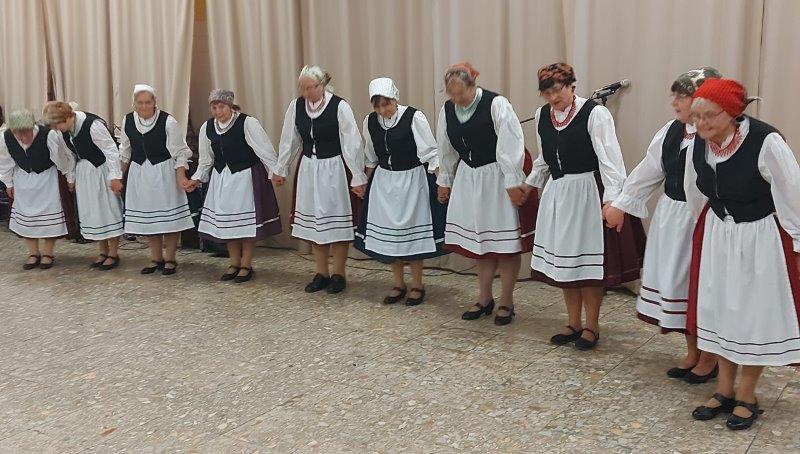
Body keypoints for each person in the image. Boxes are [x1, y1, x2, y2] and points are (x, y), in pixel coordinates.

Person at [684, 78, 800, 430]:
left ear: (732, 113)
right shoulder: (699, 144)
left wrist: (797, 244)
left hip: (758, 237)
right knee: (719, 310)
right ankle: (723, 389)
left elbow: (792, 194)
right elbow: (695, 191)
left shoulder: (766, 142)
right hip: (720, 234)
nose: (700, 123)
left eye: (709, 116)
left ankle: (747, 394)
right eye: (696, 116)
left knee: (751, 316)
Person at [605, 68, 722, 382]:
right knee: (680, 284)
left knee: (700, 286)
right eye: (675, 96)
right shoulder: (672, 131)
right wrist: (620, 204)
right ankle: (693, 352)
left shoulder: (715, 135)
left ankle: (710, 358)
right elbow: (649, 170)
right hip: (673, 217)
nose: (675, 102)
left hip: (704, 220)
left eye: (682, 96)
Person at [522, 63, 645, 349]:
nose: (553, 98)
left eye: (558, 90)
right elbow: (544, 159)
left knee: (586, 265)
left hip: (587, 192)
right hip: (558, 194)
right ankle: (573, 322)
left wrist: (612, 200)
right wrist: (529, 185)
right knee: (566, 264)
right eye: (547, 93)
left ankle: (592, 325)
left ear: (571, 86)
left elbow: (611, 161)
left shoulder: (594, 114)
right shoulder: (542, 116)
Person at [436, 62, 537, 326]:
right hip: (469, 177)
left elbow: (511, 144)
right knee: (480, 242)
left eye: (461, 94)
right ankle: (484, 298)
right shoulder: (448, 110)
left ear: (473, 86)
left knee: (504, 245)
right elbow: (445, 148)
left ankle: (507, 301)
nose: (457, 100)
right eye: (452, 95)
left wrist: (513, 182)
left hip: (497, 177)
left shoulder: (496, 104)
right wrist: (444, 180)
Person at [272, 65, 367, 294]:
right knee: (315, 223)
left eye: (310, 88)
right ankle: (321, 272)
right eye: (302, 88)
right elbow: (290, 139)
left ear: (322, 85)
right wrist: (281, 168)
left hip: (335, 169)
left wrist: (357, 175)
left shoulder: (339, 106)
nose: (306, 93)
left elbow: (351, 142)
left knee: (337, 224)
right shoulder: (296, 107)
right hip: (309, 170)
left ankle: (339, 273)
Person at [354, 77, 447, 305]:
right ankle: (398, 283)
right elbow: (371, 157)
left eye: (386, 104)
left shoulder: (413, 117)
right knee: (391, 236)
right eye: (377, 106)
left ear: (395, 99)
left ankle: (417, 284)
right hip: (384, 184)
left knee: (411, 234)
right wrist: (363, 181)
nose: (382, 110)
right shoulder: (370, 122)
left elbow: (430, 153)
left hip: (412, 181)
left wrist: (442, 181)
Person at [184, 89, 282, 283]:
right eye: (214, 107)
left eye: (221, 107)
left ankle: (246, 264)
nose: (218, 111)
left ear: (230, 106)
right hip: (221, 179)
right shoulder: (207, 128)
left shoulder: (247, 123)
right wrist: (197, 178)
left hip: (245, 177)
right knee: (228, 224)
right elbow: (206, 159)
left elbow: (264, 150)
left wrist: (275, 172)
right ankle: (234, 262)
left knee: (246, 225)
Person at [119, 84, 194, 275]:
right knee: (149, 219)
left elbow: (181, 152)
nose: (144, 106)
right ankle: (155, 258)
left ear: (155, 102)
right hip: (139, 174)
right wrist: (118, 176)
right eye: (140, 103)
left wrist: (181, 176)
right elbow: (125, 152)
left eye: (148, 102)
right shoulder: (128, 120)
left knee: (168, 220)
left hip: (164, 173)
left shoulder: (168, 121)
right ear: (134, 103)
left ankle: (170, 258)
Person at [43, 101, 125, 270]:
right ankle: (103, 250)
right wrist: (71, 178)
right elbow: (70, 155)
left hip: (101, 170)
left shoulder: (92, 125)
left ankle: (113, 253)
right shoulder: (64, 132)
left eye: (58, 124)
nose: (57, 129)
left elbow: (110, 150)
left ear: (68, 117)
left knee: (107, 210)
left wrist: (115, 176)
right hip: (84, 173)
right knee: (94, 212)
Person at [0, 109, 75, 269]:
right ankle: (33, 253)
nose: (22, 137)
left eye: (25, 133)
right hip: (22, 180)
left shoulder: (49, 135)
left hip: (47, 179)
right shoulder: (5, 137)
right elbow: (5, 162)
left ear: (31, 127)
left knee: (48, 217)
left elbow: (63, 158)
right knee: (28, 218)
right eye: (18, 134)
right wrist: (8, 184)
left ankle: (48, 253)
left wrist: (70, 177)